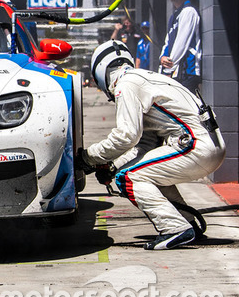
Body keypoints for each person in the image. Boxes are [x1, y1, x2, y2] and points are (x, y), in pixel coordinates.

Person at [81, 40, 225, 250]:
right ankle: (188, 223)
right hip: (210, 144)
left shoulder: (126, 85)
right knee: (148, 173)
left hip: (195, 145)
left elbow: (126, 136)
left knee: (129, 177)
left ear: (100, 71)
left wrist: (88, 158)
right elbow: (147, 143)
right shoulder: (147, 78)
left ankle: (174, 229)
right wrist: (112, 166)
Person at [159, 0, 201, 92]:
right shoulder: (174, 16)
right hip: (176, 71)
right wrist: (162, 57)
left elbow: (181, 44)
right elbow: (167, 42)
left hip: (188, 70)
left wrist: (168, 69)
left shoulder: (189, 12)